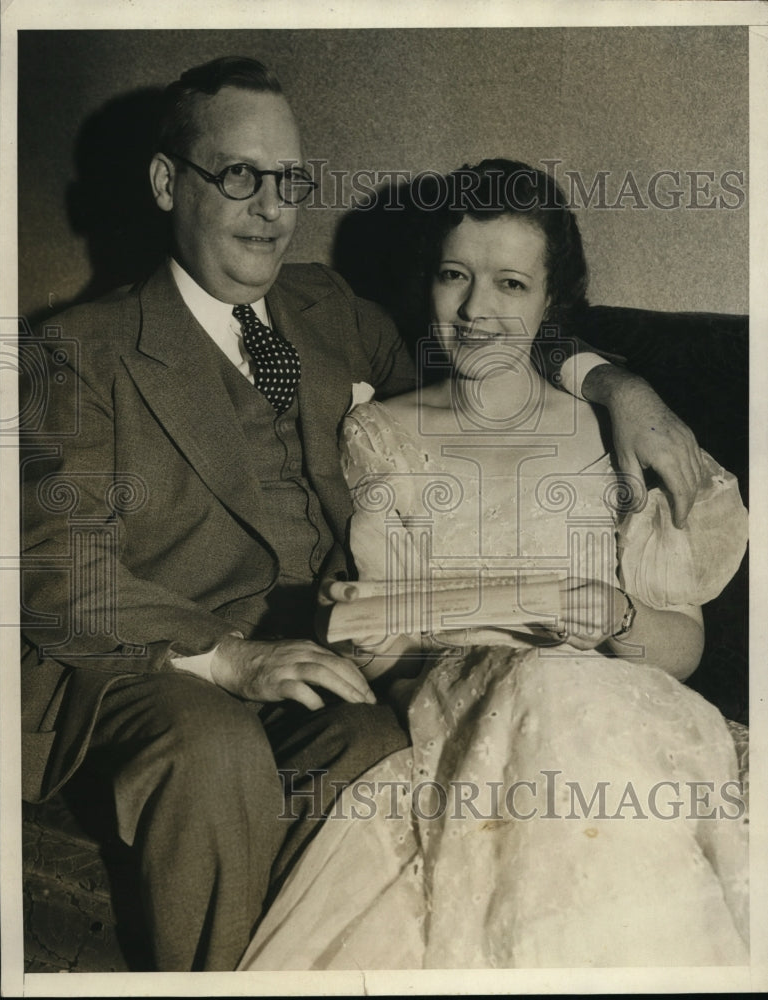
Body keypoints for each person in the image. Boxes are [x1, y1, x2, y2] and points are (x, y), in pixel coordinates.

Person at [20, 57, 704, 972]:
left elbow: (484, 342)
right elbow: (59, 566)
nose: (271, 207)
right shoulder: (75, 349)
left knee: (380, 742)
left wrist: (614, 382)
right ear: (164, 183)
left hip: (322, 651)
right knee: (214, 751)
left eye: (289, 180)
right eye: (238, 176)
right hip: (159, 662)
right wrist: (231, 659)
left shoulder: (325, 308)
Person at [238, 160, 749, 970]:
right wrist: (365, 615)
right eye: (454, 277)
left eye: (510, 284)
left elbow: (680, 653)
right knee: (543, 688)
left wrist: (614, 617)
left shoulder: (612, 437)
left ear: (551, 303)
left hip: (628, 737)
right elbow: (381, 661)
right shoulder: (381, 436)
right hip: (461, 734)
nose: (476, 310)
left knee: (565, 687)